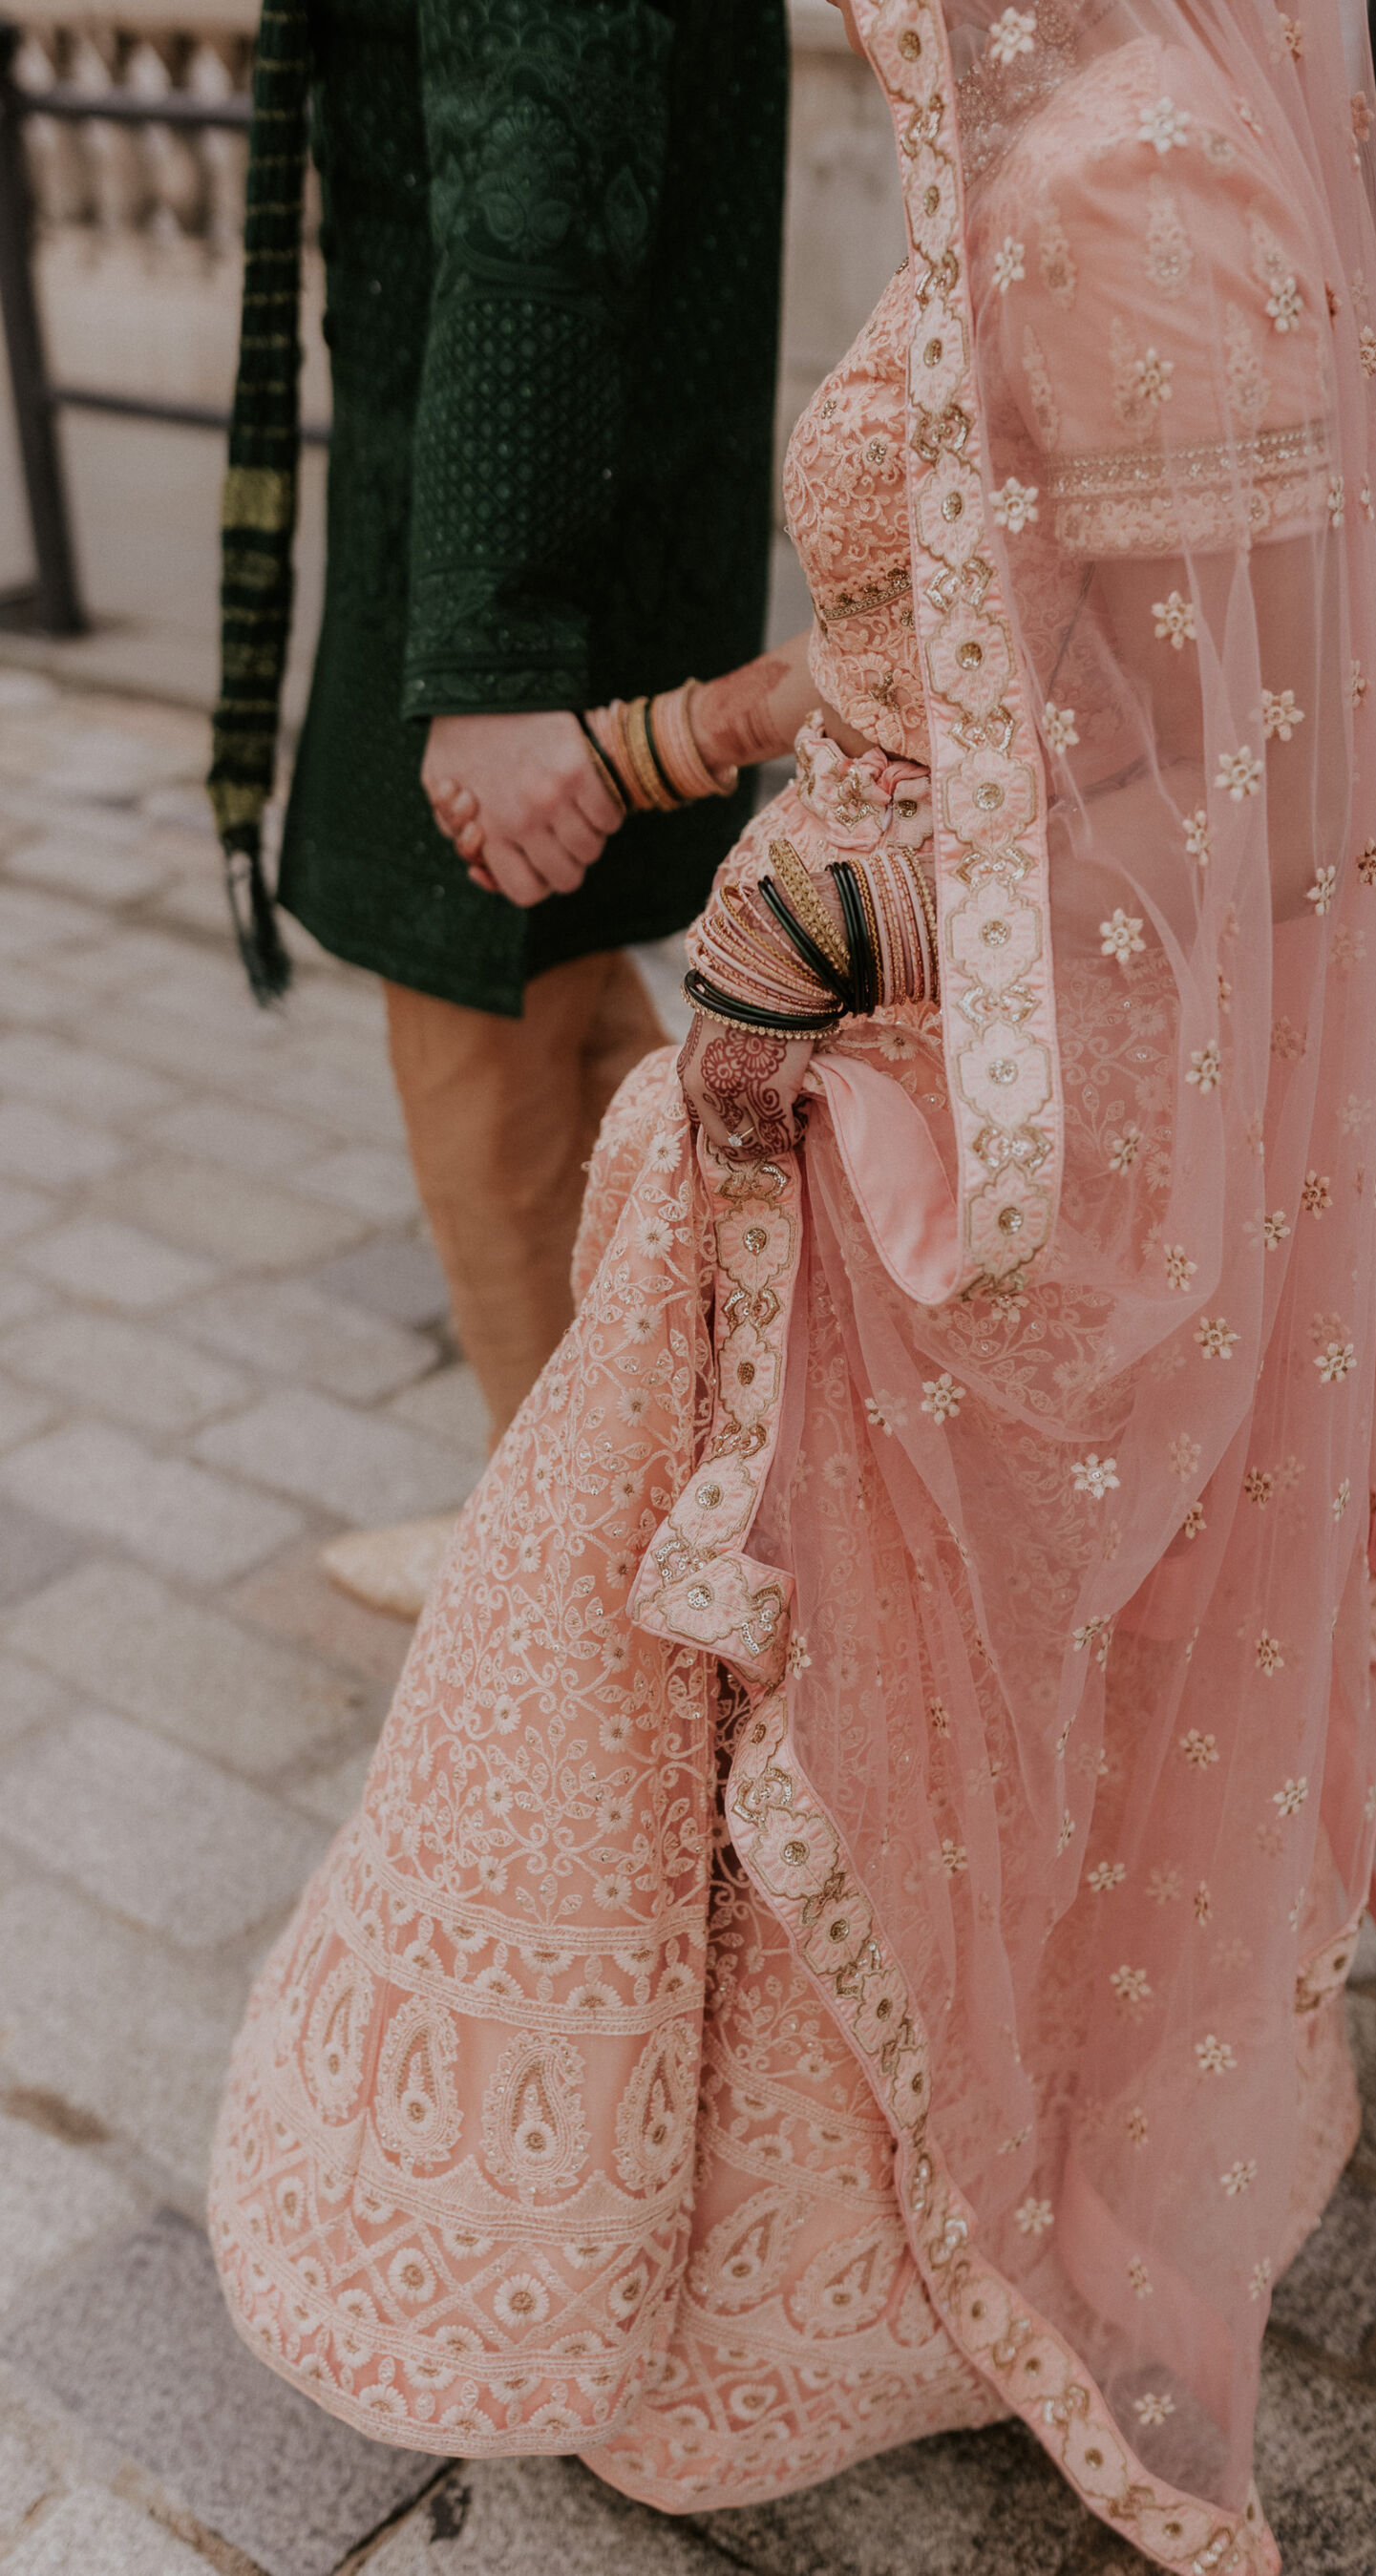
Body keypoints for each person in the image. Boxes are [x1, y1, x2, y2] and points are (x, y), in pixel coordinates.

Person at [208, 0, 1376, 2561]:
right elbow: (942, 622)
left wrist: (842, 924)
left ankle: (868, 2262)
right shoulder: (1068, 148)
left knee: (847, 1667)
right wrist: (651, 747)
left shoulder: (1135, 194)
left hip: (961, 1095)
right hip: (884, 1038)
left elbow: (1227, 805)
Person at [206, 0, 787, 1610]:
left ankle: (571, 1611)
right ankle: (671, 1517)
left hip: (527, 508)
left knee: (474, 1028)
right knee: (570, 1029)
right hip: (544, 470)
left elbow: (537, 148)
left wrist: (496, 651)